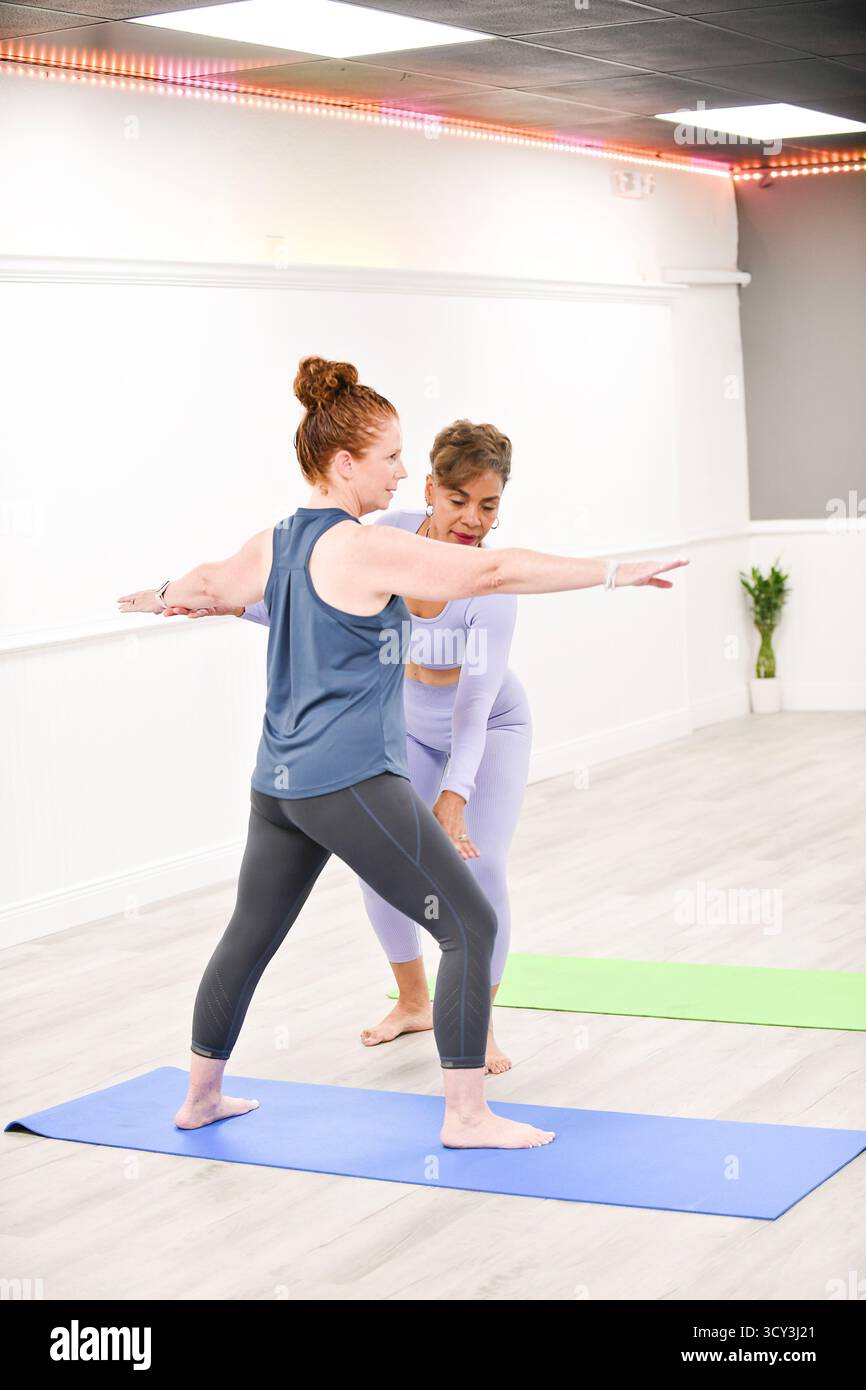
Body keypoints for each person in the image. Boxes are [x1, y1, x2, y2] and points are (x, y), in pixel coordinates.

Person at [118, 354, 688, 1150]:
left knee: (249, 933)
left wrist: (162, 594)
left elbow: (212, 584)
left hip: (276, 784)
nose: (398, 472)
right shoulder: (359, 547)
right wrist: (615, 572)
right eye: (388, 457)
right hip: (347, 781)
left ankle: (201, 1096)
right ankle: (466, 1116)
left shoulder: (277, 539)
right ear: (345, 462)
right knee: (470, 923)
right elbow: (491, 569)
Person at [238, 422, 529, 1075]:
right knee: (380, 867)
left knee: (479, 873)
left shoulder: (488, 586)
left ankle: (476, 1022)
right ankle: (414, 1000)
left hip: (488, 730)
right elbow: (306, 601)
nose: (472, 520)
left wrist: (456, 794)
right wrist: (230, 604)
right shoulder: (382, 539)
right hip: (408, 723)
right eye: (457, 501)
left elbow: (473, 706)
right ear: (429, 488)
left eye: (488, 506)